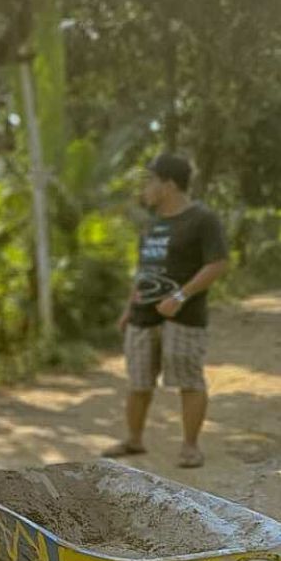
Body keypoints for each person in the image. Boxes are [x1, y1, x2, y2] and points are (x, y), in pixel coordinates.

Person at [104, 153, 229, 468]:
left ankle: (190, 446)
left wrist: (180, 296)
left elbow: (218, 263)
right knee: (138, 381)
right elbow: (144, 269)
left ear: (169, 185)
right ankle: (133, 439)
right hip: (143, 316)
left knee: (189, 380)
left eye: (150, 181)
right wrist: (128, 308)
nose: (145, 188)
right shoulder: (151, 225)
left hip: (183, 318)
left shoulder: (202, 219)